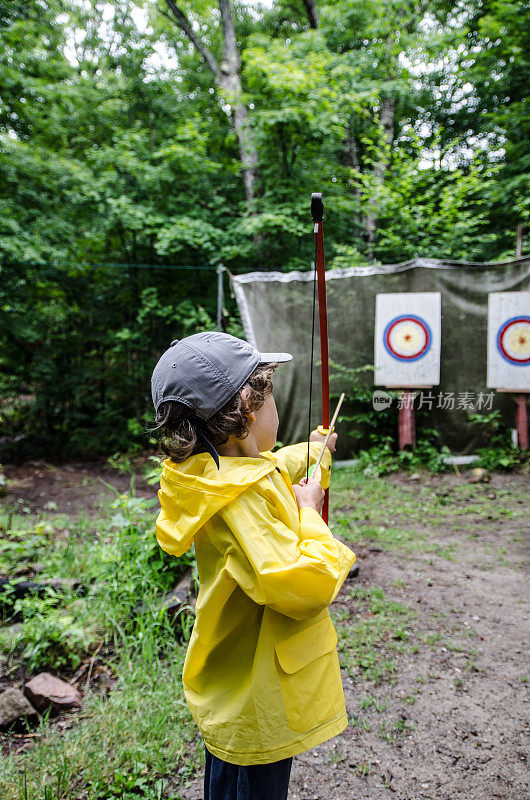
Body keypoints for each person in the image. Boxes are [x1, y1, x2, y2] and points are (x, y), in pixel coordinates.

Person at [151, 332, 356, 800]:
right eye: (272, 403)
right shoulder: (241, 504)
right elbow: (306, 585)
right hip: (257, 694)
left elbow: (271, 466)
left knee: (225, 778)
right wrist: (308, 511)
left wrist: (313, 451)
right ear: (248, 407)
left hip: (233, 680)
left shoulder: (212, 475)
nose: (276, 415)